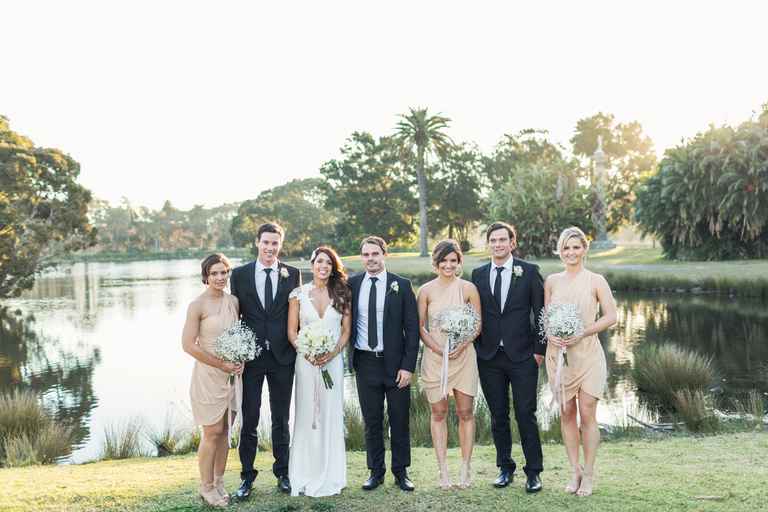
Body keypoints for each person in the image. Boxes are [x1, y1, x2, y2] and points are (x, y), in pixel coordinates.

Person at [471, 221, 545, 493]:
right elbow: (473, 313)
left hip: (524, 356)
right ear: (488, 243)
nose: (498, 244)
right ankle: (505, 467)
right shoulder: (477, 274)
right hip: (489, 357)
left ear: (512, 243)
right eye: (494, 240)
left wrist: (539, 351)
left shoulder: (528, 272)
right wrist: (477, 346)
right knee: (498, 415)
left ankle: (534, 472)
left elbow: (540, 314)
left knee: (526, 413)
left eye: (503, 240)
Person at [229, 222, 301, 499]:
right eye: (266, 243)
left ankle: (283, 473)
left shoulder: (292, 274)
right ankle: (247, 477)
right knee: (249, 419)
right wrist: (236, 353)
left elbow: (297, 313)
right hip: (252, 359)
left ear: (280, 245)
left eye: (275, 243)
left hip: (283, 356)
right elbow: (235, 317)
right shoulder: (240, 275)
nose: (270, 248)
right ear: (257, 243)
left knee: (282, 419)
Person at [544, 227, 616, 497]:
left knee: (587, 412)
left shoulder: (596, 280)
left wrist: (582, 331)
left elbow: (611, 316)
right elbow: (546, 317)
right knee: (566, 413)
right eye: (566, 248)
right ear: (560, 251)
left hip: (588, 353)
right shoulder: (552, 281)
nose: (571, 253)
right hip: (558, 356)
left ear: (584, 249)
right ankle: (574, 470)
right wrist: (554, 334)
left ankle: (589, 473)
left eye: (576, 247)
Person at [347, 236, 420, 492]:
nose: (370, 259)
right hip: (365, 363)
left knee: (399, 420)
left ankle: (401, 473)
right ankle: (375, 472)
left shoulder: (401, 284)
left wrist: (408, 366)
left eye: (374, 254)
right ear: (361, 258)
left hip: (396, 364)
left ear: (384, 255)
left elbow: (412, 329)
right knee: (372, 421)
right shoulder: (352, 284)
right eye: (366, 255)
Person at [286, 246, 350, 497]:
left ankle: (330, 473)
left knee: (330, 414)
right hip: (306, 362)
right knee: (307, 415)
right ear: (312, 264)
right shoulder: (298, 295)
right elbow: (292, 331)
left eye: (329, 263)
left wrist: (331, 354)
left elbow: (345, 331)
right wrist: (306, 350)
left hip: (332, 364)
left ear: (333, 268)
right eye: (320, 261)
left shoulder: (342, 293)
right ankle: (305, 472)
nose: (324, 266)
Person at [418, 240, 482, 489]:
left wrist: (462, 345)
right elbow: (421, 327)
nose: (448, 265)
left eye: (453, 260)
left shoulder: (468, 288)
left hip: (463, 357)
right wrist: (437, 349)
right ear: (436, 263)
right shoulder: (425, 291)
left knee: (466, 413)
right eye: (444, 261)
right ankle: (443, 471)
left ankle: (465, 468)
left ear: (459, 262)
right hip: (435, 359)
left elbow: (477, 324)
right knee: (439, 413)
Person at [182, 253, 241, 507]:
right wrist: (220, 363)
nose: (219, 277)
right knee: (212, 431)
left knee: (226, 431)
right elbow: (187, 345)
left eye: (223, 272)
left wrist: (241, 360)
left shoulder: (234, 301)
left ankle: (218, 482)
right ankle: (205, 486)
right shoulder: (197, 305)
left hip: (233, 375)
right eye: (214, 273)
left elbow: (239, 337)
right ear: (206, 276)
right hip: (209, 374)